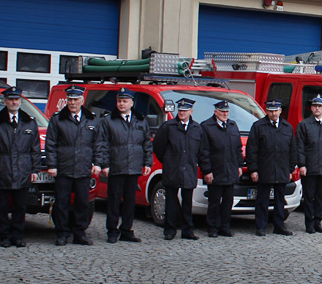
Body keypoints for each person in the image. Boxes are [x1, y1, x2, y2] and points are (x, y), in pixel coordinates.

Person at [0, 86, 39, 248]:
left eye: (17, 99)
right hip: (2, 170)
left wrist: (35, 170)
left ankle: (18, 236)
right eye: (11, 99)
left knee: (20, 207)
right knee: (2, 207)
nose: (14, 102)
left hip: (23, 170)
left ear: (20, 101)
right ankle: (4, 236)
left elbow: (34, 148)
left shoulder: (30, 122)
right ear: (5, 102)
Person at [45, 85, 103, 246]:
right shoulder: (58, 119)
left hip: (83, 168)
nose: (72, 102)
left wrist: (98, 163)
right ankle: (62, 233)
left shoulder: (92, 119)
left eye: (76, 99)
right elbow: (51, 144)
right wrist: (52, 165)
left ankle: (79, 233)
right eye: (70, 99)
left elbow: (98, 144)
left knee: (83, 203)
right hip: (63, 167)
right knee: (62, 202)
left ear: (82, 100)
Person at [98, 87, 151, 243]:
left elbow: (146, 143)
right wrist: (105, 164)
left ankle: (126, 229)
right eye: (119, 101)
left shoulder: (140, 120)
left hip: (133, 167)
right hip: (116, 166)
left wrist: (147, 162)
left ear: (131, 103)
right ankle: (112, 231)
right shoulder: (108, 121)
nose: (121, 104)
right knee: (114, 201)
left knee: (130, 201)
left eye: (125, 101)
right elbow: (103, 144)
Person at [153, 98, 209, 240]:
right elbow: (159, 147)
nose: (182, 113)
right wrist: (168, 161)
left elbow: (202, 151)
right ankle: (170, 230)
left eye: (185, 110)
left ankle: (187, 230)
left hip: (189, 169)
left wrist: (205, 168)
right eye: (180, 110)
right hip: (173, 168)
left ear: (191, 111)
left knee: (187, 202)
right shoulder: (168, 127)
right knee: (171, 201)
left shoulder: (197, 128)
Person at [246, 99, 296, 237]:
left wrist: (291, 169)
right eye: (271, 111)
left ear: (280, 111)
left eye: (276, 110)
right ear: (266, 111)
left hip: (282, 169)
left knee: (280, 200)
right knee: (262, 199)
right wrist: (253, 169)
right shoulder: (258, 126)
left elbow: (292, 150)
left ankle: (279, 226)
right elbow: (252, 149)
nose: (273, 113)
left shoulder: (287, 127)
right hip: (264, 168)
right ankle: (260, 226)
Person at [296, 95, 322, 234]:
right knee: (309, 197)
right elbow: (300, 147)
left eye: (320, 106)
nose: (317, 108)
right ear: (311, 108)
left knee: (320, 197)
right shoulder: (304, 125)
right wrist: (301, 164)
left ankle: (317, 222)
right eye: (315, 106)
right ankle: (309, 223)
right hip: (310, 166)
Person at [200, 100, 242, 237]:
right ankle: (212, 227)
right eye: (222, 111)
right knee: (214, 202)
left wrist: (239, 166)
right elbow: (203, 152)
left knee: (228, 202)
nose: (225, 114)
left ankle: (225, 226)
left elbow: (237, 149)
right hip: (215, 170)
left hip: (230, 170)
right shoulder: (206, 126)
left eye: (227, 112)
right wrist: (207, 170)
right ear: (216, 111)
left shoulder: (232, 125)